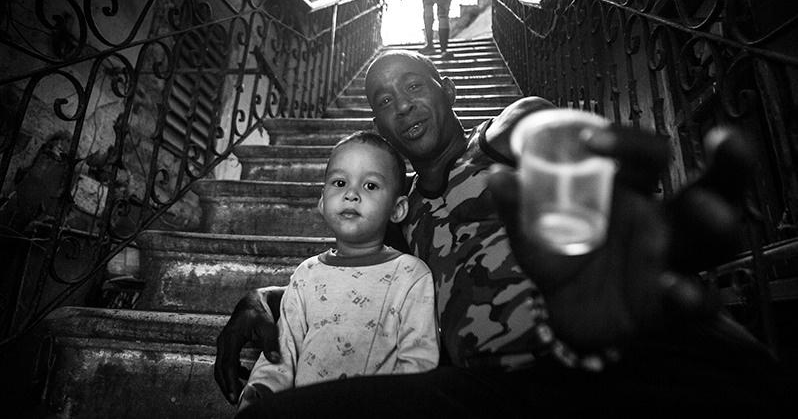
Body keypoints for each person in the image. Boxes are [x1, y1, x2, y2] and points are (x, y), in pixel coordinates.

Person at [220, 50, 792, 417]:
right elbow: (357, 271)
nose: (403, 106)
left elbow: (546, 134)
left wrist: (577, 159)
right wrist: (272, 297)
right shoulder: (399, 216)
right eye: (384, 102)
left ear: (443, 86)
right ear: (378, 124)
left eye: (414, 86)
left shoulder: (501, 137)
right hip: (499, 394)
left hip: (627, 341)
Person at [236, 131, 439, 415]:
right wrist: (258, 399)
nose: (351, 194)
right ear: (322, 202)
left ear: (397, 209)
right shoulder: (307, 274)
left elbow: (419, 360)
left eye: (370, 185)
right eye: (340, 182)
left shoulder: (410, 274)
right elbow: (281, 354)